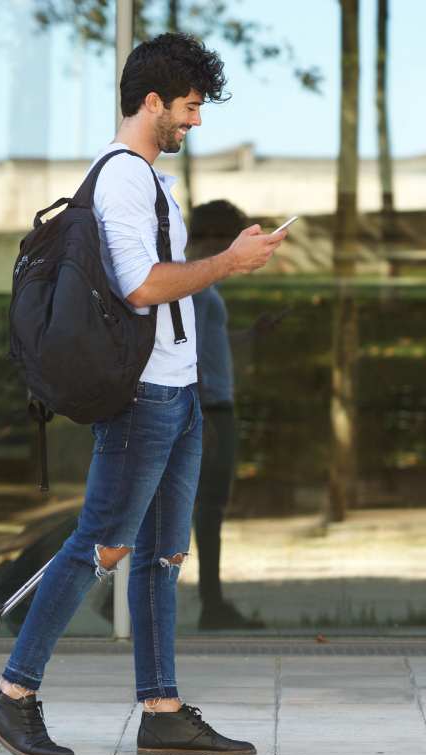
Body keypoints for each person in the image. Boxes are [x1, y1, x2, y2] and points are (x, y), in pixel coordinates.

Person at [0, 32, 288, 755]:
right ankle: (12, 694)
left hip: (177, 393)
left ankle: (162, 708)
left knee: (159, 556)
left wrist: (220, 260)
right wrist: (228, 263)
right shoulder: (120, 178)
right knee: (99, 545)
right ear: (152, 102)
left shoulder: (149, 179)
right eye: (189, 106)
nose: (196, 121)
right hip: (144, 396)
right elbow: (141, 284)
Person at [189, 200, 272, 631]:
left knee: (201, 508)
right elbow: (188, 352)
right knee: (207, 508)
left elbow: (209, 342)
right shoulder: (199, 282)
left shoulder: (202, 281)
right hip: (210, 408)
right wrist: (201, 415)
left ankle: (211, 601)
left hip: (213, 405)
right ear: (218, 238)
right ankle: (212, 603)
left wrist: (249, 336)